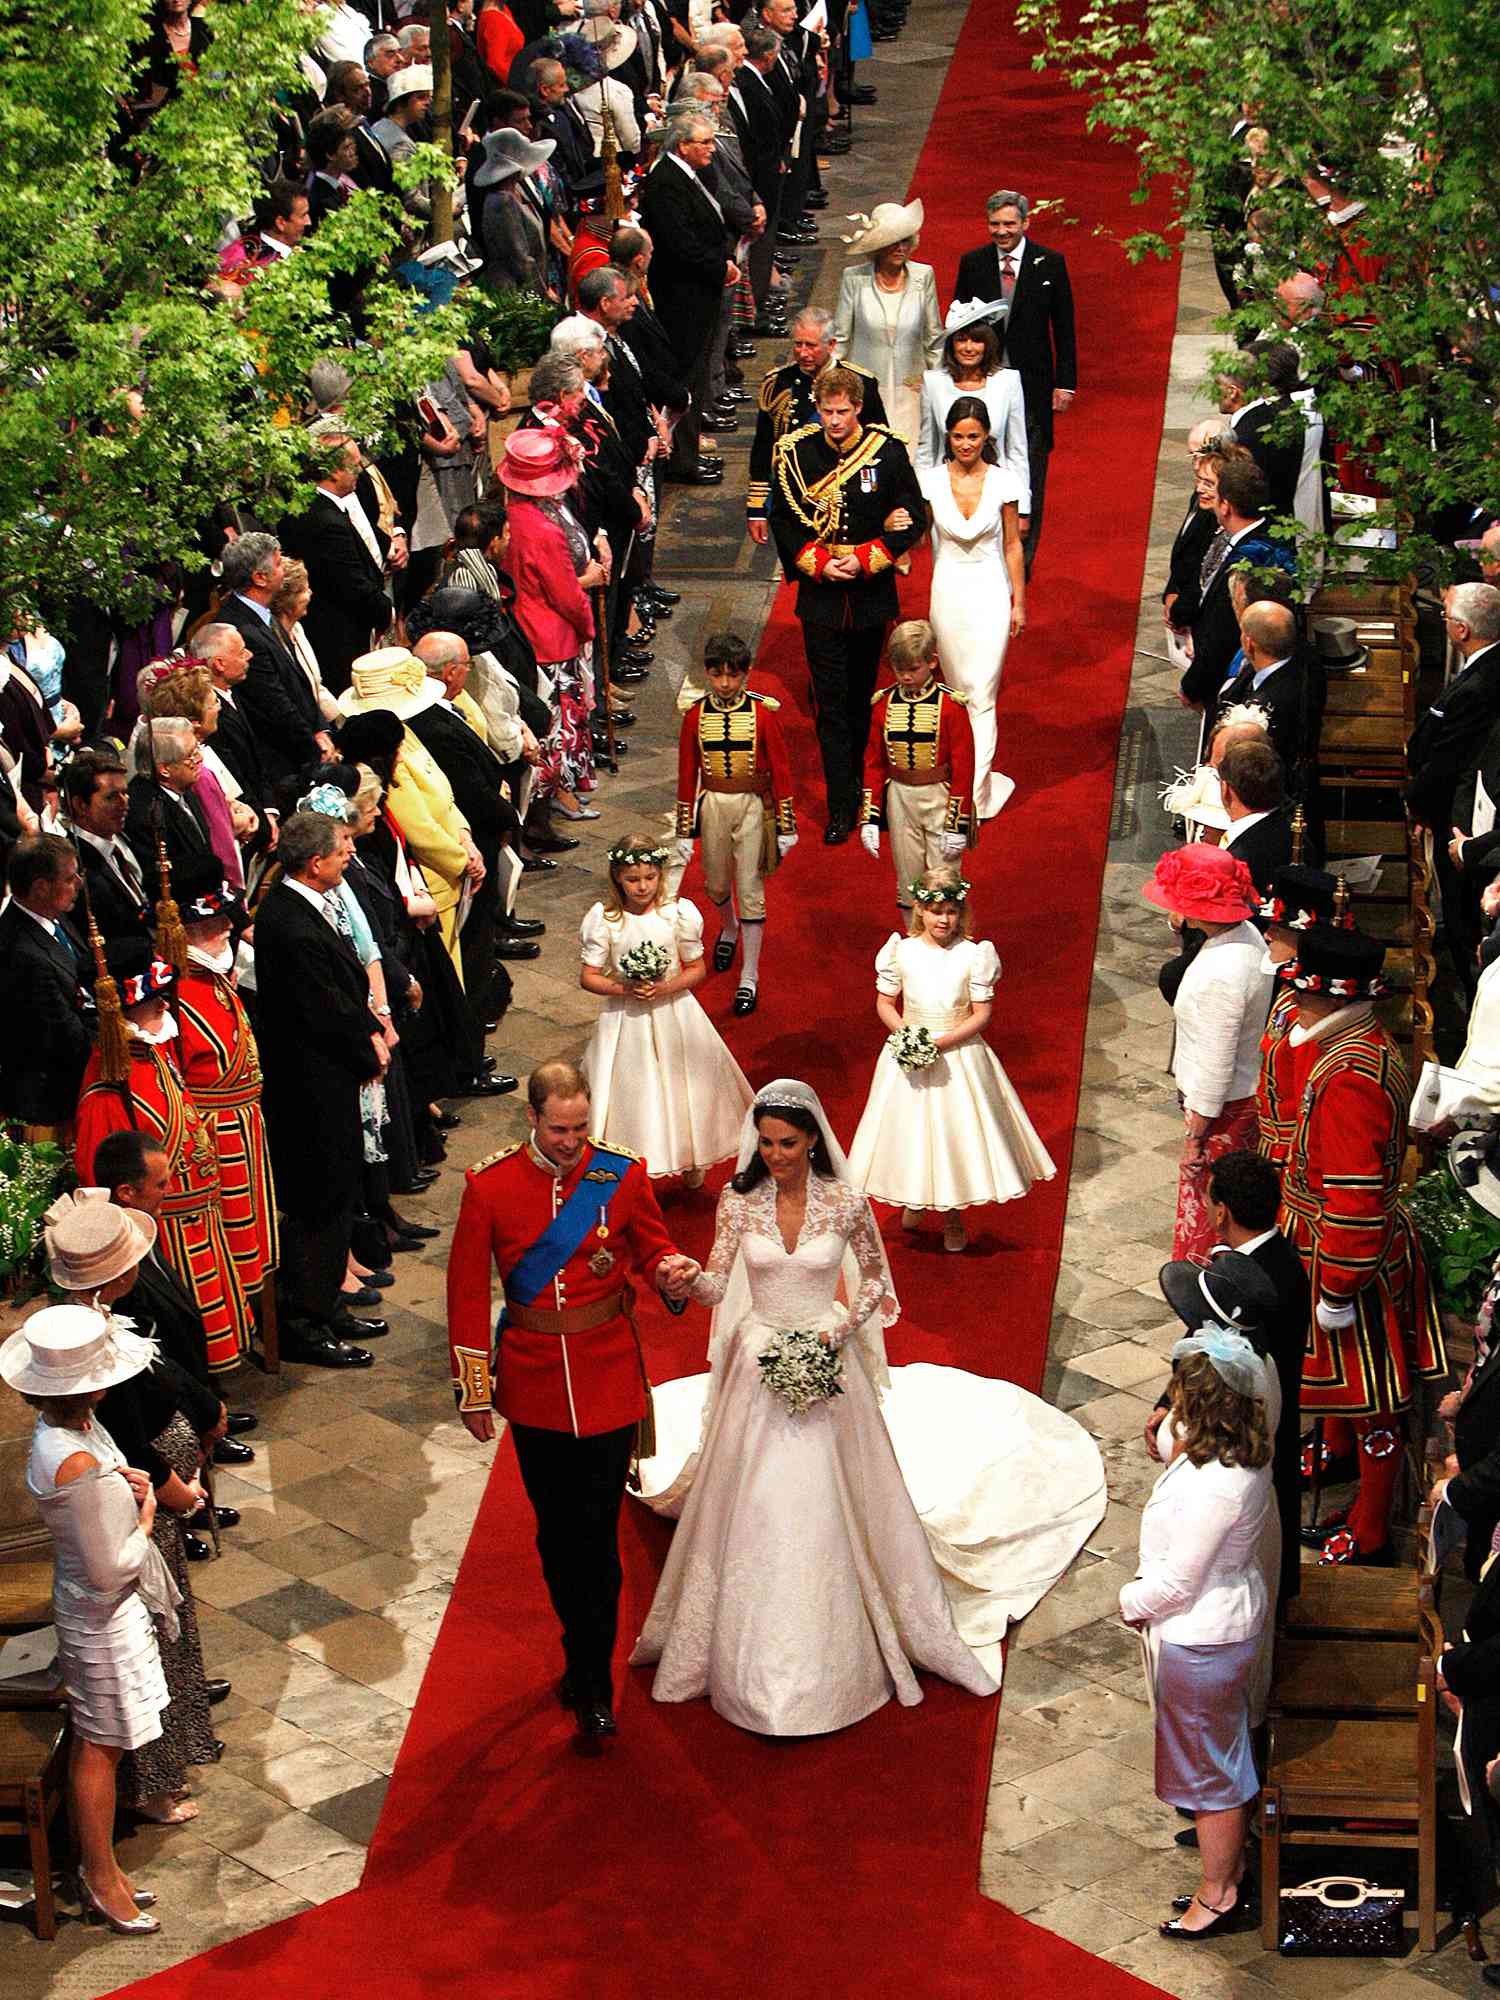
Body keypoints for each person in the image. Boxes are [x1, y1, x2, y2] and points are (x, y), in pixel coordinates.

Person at [631, 1080, 1104, 1734]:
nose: (775, 1154)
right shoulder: (739, 1206)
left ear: (813, 1140)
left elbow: (877, 1280)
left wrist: (838, 1330)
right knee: (759, 1501)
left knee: (836, 1496)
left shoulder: (846, 1203)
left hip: (828, 1358)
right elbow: (717, 1286)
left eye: (787, 1143)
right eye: (765, 1142)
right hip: (758, 1361)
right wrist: (681, 1280)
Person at [445, 1058, 701, 1751]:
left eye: (581, 1127)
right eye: (559, 1129)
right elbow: (468, 1294)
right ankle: (577, 1650)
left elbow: (652, 1250)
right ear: (532, 1119)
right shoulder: (490, 1187)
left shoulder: (619, 1176)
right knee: (558, 1539)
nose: (571, 1141)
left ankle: (593, 1681)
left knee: (599, 1538)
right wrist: (475, 1393)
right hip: (532, 1390)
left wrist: (671, 1271)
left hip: (609, 1379)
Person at [44, 1192, 223, 1825]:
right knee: (152, 1637)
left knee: (168, 1630)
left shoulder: (105, 1319)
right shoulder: (81, 1350)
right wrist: (170, 1491)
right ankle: (154, 1781)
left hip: (155, 1496)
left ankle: (168, 1763)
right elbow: (123, 1431)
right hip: (142, 1509)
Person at [4, 1304, 176, 1935]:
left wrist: (125, 1487)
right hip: (100, 1613)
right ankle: (98, 1877)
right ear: (91, 1385)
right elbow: (110, 1567)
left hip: (103, 1609)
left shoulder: (78, 1432)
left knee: (103, 1737)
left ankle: (103, 1868)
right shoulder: (70, 1458)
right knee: (99, 1745)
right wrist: (148, 1514)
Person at [1278, 922, 1446, 1563]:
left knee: (1372, 1395)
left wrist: (1337, 1286)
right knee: (1345, 1385)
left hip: (1345, 1255)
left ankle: (1371, 1526)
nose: (1293, 1001)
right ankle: (1338, 1450)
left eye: (1303, 992)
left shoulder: (1349, 1077)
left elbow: (1351, 1197)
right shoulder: (1351, 1046)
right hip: (1334, 1241)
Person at [1120, 1326, 1273, 1938]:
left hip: (1202, 1634)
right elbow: (1165, 1442)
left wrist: (1131, 1600)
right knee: (1218, 1759)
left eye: (1182, 1396)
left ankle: (1219, 1893)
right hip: (1217, 1627)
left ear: (1200, 1409)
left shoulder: (1217, 1485)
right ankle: (1226, 1872)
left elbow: (1179, 1583)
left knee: (1213, 1776)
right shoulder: (1235, 1451)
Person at [846, 866, 1053, 1252]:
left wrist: (939, 1043)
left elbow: (981, 1014)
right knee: (912, 1132)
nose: (944, 920)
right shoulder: (901, 952)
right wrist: (905, 1035)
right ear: (919, 910)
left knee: (953, 1135)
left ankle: (953, 1216)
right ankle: (914, 1196)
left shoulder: (974, 955)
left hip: (956, 1056)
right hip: (909, 1055)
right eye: (935, 910)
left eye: (951, 912)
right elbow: (886, 1003)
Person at [75, 941, 256, 1378]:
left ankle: (211, 1392)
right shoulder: (107, 1088)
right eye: (151, 1004)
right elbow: (99, 1180)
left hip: (195, 1215)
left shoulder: (152, 1054)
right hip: (159, 1230)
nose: (163, 1011)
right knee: (173, 1328)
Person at [250, 810, 386, 1369]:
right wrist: (367, 1048)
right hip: (309, 1087)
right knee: (319, 1200)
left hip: (326, 1078)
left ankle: (326, 1301)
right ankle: (304, 1319)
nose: (350, 854)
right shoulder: (292, 923)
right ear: (314, 863)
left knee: (336, 1195)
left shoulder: (300, 905)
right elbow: (324, 1009)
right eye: (342, 848)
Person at [765, 365, 924, 843]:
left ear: (858, 409)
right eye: (826, 411)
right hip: (821, 600)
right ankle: (841, 804)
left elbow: (915, 514)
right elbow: (786, 522)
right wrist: (816, 563)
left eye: (842, 412)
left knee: (863, 699)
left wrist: (868, 558)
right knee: (831, 704)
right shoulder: (798, 454)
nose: (834, 421)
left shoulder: (886, 452)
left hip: (870, 595)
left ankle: (868, 792)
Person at [578, 835, 753, 1182]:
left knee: (683, 1086)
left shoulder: (677, 915)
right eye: (632, 879)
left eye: (649, 877)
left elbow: (697, 968)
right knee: (635, 1088)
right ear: (617, 878)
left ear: (660, 874)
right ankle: (636, 1156)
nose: (642, 887)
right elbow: (588, 976)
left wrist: (665, 987)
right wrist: (625, 988)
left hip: (675, 1011)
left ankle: (692, 1157)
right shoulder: (607, 919)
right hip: (627, 1018)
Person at [1142, 844, 1272, 1263]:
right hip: (1238, 1098)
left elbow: (1216, 1064)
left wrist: (1195, 1139)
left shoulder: (1223, 974)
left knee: (1210, 1214)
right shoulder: (1245, 936)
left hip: (1221, 1113)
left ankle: (1208, 1291)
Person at [951, 190, 1076, 573]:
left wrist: (1066, 382)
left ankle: (1023, 560)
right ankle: (985, 550)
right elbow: (959, 323)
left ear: (1025, 223)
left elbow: (1065, 326)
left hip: (1033, 388)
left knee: (1030, 470)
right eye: (995, 225)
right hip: (983, 384)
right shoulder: (973, 263)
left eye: (1009, 224)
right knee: (984, 462)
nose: (1002, 232)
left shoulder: (1050, 264)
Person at [674, 630, 797, 1015]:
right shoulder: (695, 716)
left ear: (745, 673)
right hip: (712, 805)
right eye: (717, 675)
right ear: (707, 674)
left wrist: (787, 823)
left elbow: (781, 769)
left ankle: (750, 975)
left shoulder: (763, 714)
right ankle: (728, 927)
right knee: (714, 883)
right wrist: (683, 828)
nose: (725, 683)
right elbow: (686, 772)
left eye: (732, 675)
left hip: (751, 808)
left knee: (750, 889)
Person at [918, 397, 1026, 821]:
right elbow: (917, 535)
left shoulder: (1004, 482)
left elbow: (1014, 544)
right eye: (959, 436)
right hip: (947, 591)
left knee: (982, 691)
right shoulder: (929, 481)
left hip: (990, 593)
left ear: (986, 437)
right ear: (949, 435)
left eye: (974, 436)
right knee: (957, 691)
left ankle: (973, 794)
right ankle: (956, 775)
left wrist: (1020, 601)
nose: (966, 444)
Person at [497, 427, 601, 822]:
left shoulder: (512, 516)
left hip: (524, 628)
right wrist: (587, 623)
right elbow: (566, 594)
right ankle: (558, 794)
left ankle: (560, 792)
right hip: (553, 635)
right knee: (559, 723)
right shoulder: (544, 530)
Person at [745, 306, 887, 543]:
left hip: (847, 498)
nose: (802, 353)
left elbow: (878, 446)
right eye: (798, 344)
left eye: (811, 346)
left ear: (831, 345)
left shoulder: (861, 382)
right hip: (795, 497)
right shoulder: (778, 383)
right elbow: (763, 447)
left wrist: (875, 497)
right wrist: (757, 509)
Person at [832, 197, 942, 447]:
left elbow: (933, 337)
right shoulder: (854, 278)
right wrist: (831, 383)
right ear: (878, 246)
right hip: (866, 390)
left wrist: (938, 384)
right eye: (893, 241)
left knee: (910, 456)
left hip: (911, 389)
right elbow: (841, 337)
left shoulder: (923, 276)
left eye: (905, 240)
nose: (900, 247)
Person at [0, 834, 89, 1138]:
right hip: (49, 1112)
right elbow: (63, 1039)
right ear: (40, 887)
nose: (78, 883)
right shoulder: (22, 954)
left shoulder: (52, 917)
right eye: (70, 877)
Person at [915, 302, 1029, 510]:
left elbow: (1017, 450)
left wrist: (1022, 506)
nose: (968, 348)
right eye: (961, 340)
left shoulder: (1008, 381)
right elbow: (926, 449)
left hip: (997, 494)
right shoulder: (933, 383)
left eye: (976, 341)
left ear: (987, 345)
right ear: (951, 345)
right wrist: (921, 501)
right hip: (945, 494)